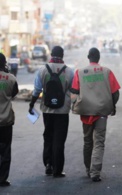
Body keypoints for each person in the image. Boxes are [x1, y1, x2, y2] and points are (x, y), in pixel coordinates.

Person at [71, 47, 120, 182]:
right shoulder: (107, 72)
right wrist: (112, 105)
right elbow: (115, 93)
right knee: (99, 142)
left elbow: (74, 92)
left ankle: (88, 169)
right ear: (99, 58)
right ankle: (95, 172)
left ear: (88, 57)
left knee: (87, 141)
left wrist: (75, 105)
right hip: (102, 112)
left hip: (86, 113)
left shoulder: (79, 72)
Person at [28, 46, 74, 178]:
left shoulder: (43, 69)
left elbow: (37, 90)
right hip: (62, 110)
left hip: (47, 109)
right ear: (63, 55)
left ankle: (48, 164)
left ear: (51, 54)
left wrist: (31, 104)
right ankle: (57, 170)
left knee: (48, 136)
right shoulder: (69, 71)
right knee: (59, 139)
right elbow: (73, 90)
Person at [0, 53, 19, 187]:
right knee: (6, 150)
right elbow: (13, 93)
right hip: (6, 120)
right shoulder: (11, 78)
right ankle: (2, 179)